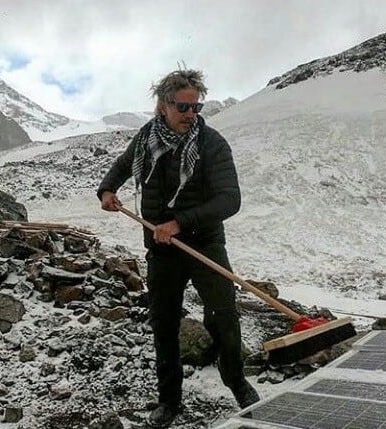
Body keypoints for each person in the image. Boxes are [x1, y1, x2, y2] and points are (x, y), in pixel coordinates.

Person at [97, 69, 259, 428]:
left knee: (224, 315)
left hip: (204, 243)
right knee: (164, 323)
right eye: (183, 106)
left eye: (196, 106)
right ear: (163, 105)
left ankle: (237, 381)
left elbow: (230, 200)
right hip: (162, 249)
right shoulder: (145, 139)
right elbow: (122, 167)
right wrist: (107, 191)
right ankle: (170, 400)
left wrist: (181, 222)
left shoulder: (211, 143)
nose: (190, 113)